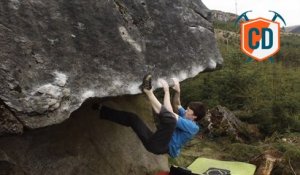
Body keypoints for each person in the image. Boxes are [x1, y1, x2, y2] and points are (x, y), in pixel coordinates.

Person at [97, 74, 206, 158]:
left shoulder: (193, 127)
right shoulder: (187, 116)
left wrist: (167, 91)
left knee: (171, 120)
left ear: (194, 117)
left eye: (189, 111)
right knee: (133, 118)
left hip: (161, 146)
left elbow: (169, 112)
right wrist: (178, 91)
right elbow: (177, 104)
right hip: (154, 141)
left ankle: (148, 91)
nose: (186, 111)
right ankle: (101, 110)